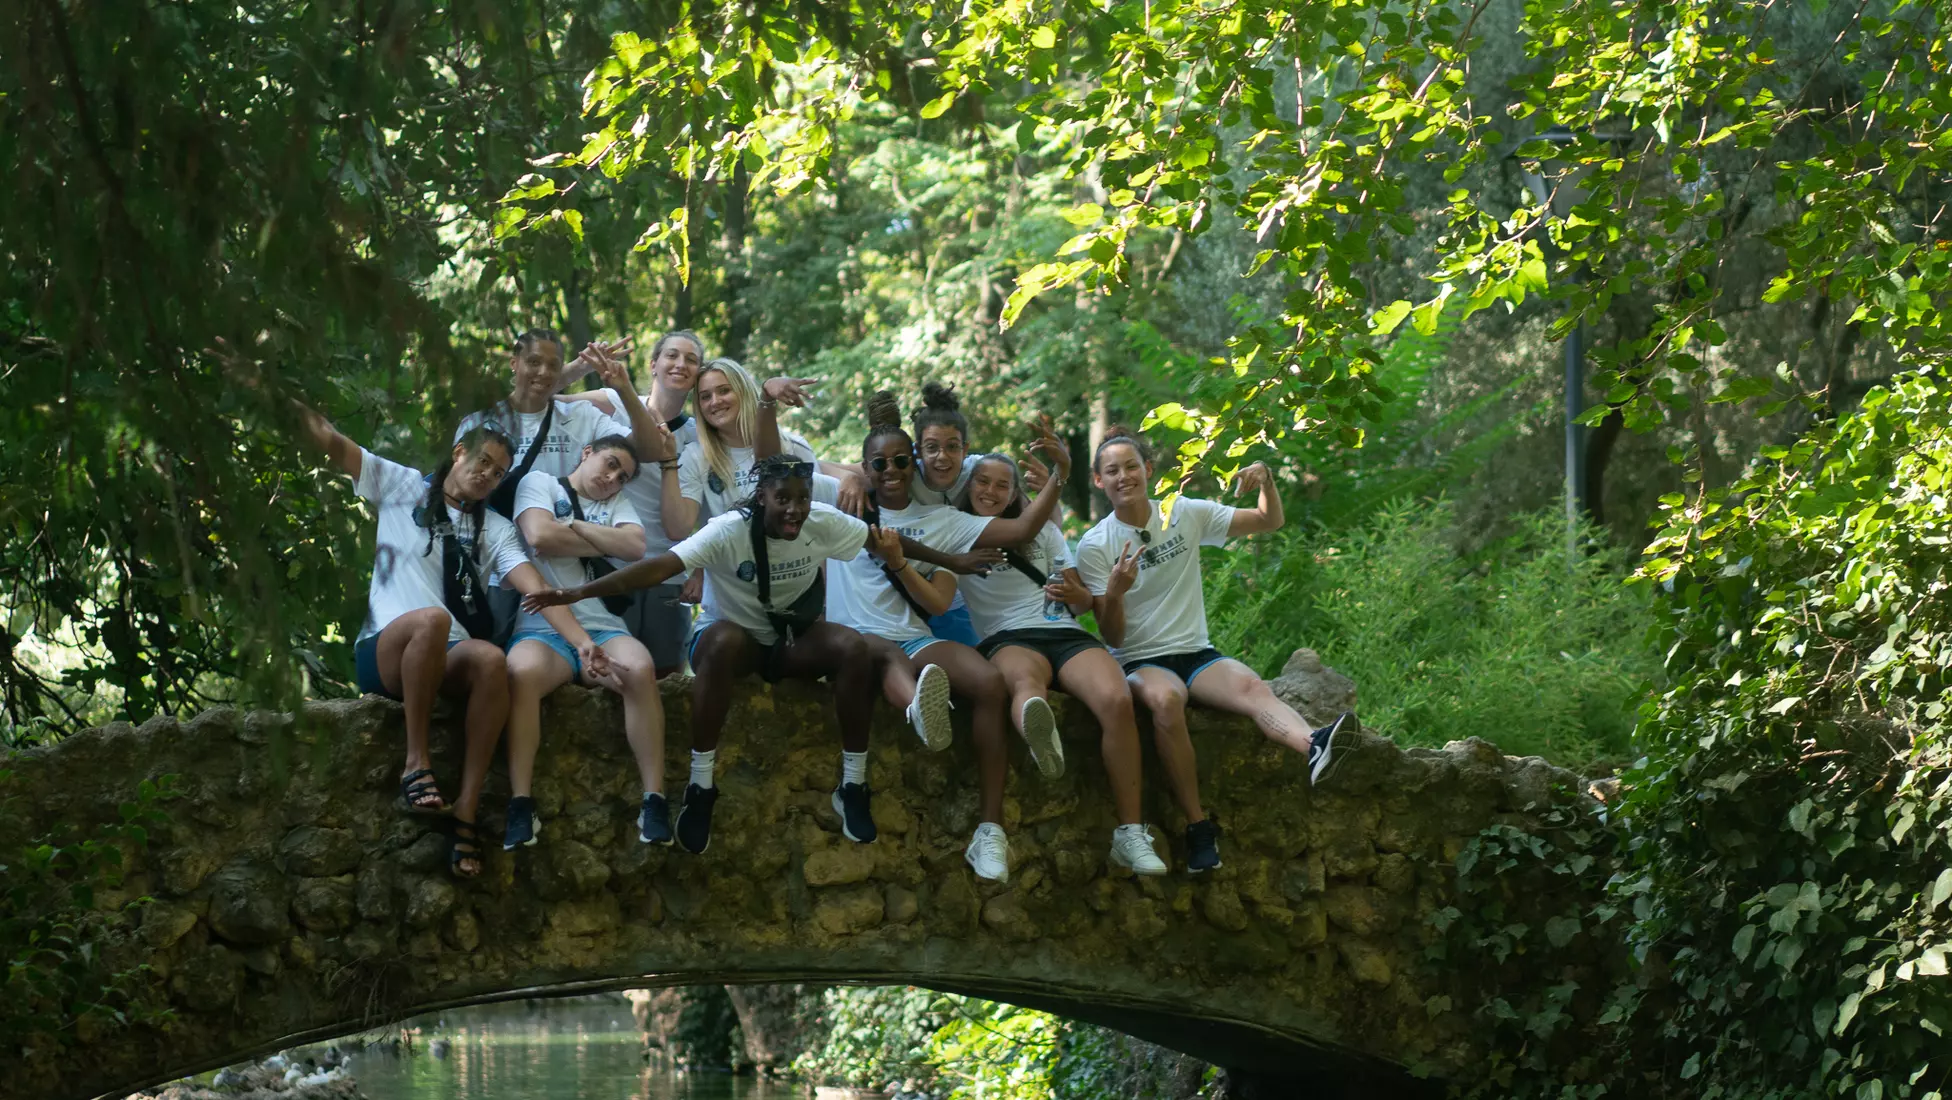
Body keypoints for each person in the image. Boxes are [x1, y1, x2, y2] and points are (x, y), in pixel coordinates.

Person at [524, 455, 890, 856]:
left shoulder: (820, 520)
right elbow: (659, 568)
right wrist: (578, 593)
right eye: (782, 498)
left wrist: (953, 561)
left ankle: (853, 785)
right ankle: (700, 785)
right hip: (733, 645)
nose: (795, 508)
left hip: (789, 642)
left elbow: (886, 541)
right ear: (761, 497)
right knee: (722, 641)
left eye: (802, 498)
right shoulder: (727, 531)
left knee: (853, 648)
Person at [291, 402, 596, 879]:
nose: (487, 476)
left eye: (498, 474)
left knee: (493, 660)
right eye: (482, 463)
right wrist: (263, 385)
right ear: (459, 453)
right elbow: (329, 440)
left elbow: (537, 589)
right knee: (432, 619)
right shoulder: (401, 486)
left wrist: (581, 643)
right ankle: (416, 763)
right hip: (388, 648)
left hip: (446, 653)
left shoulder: (493, 530)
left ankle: (466, 810)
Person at [1076, 427, 1355, 873]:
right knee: (1167, 702)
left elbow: (1268, 521)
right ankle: (1198, 828)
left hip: (1195, 650)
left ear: (1148, 470)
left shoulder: (1183, 513)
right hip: (1142, 660)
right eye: (1112, 471)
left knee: (1250, 685)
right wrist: (1114, 592)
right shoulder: (1094, 545)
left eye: (1131, 466)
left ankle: (1315, 746)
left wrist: (1266, 481)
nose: (1123, 476)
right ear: (1098, 481)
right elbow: (1112, 636)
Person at [822, 392, 1076, 883]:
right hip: (855, 635)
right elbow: (786, 461)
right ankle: (918, 706)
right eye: (881, 462)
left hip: (914, 633)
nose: (893, 469)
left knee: (989, 683)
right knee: (884, 655)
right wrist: (848, 473)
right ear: (869, 464)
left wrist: (1060, 474)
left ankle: (990, 831)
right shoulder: (844, 499)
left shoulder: (944, 517)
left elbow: (1022, 524)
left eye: (901, 461)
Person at [951, 452, 1168, 875]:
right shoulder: (953, 529)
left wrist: (1081, 596)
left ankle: (1130, 834)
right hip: (1006, 637)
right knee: (1025, 684)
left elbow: (1082, 600)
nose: (990, 491)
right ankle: (1038, 729)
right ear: (967, 486)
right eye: (982, 482)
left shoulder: (1044, 533)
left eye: (1002, 485)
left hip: (1065, 633)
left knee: (1116, 700)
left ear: (1015, 492)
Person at [506, 435, 673, 849]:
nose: (613, 477)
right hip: (540, 628)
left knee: (640, 668)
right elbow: (539, 537)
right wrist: (600, 537)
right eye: (610, 463)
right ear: (587, 453)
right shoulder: (540, 482)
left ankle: (655, 801)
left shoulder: (617, 503)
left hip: (603, 627)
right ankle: (520, 804)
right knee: (521, 674)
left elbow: (636, 547)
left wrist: (574, 524)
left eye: (623, 477)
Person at [557, 330, 707, 677]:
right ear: (653, 364)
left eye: (691, 359)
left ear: (698, 375)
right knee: (604, 673)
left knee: (666, 677)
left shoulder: (701, 434)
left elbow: (716, 501)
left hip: (667, 572)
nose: (680, 364)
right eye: (671, 355)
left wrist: (702, 567)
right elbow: (541, 400)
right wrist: (577, 368)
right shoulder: (613, 401)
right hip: (607, 567)